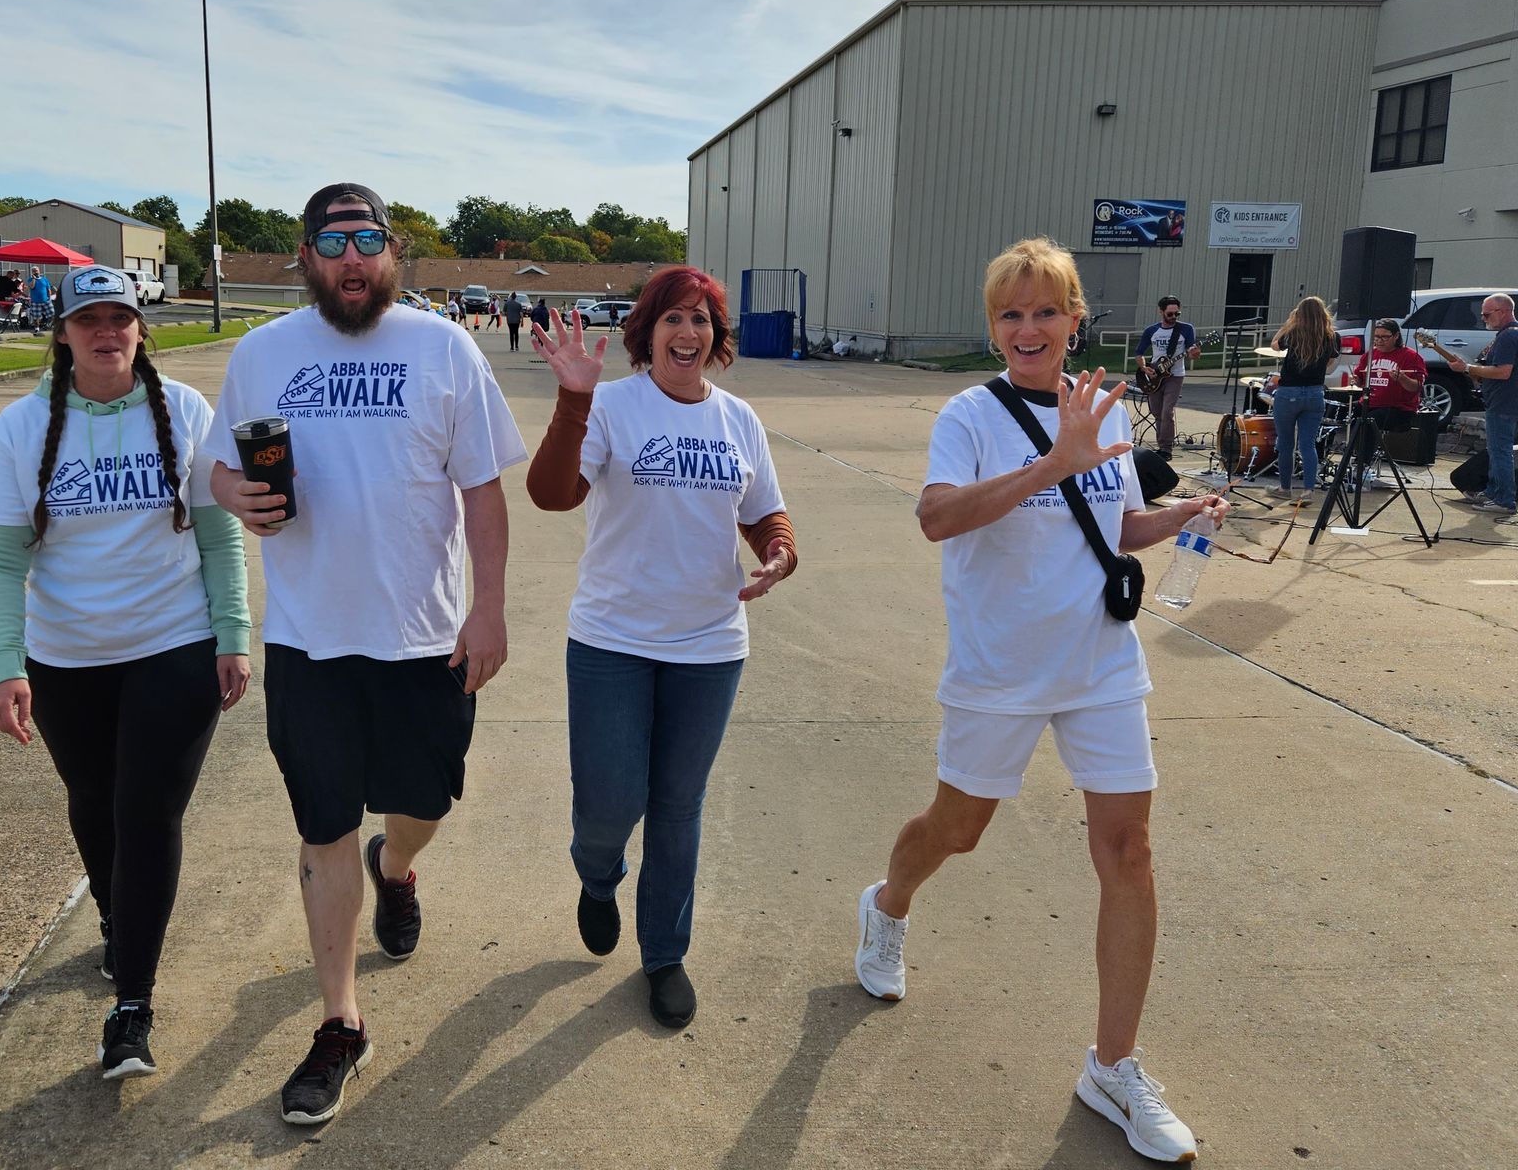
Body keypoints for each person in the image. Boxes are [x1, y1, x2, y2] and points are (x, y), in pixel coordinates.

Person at [853, 238, 1227, 1166]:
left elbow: (1112, 527)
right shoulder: (969, 414)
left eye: (1046, 311)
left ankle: (1113, 1067)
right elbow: (937, 517)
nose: (1029, 327)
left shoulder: (1101, 407)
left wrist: (1178, 517)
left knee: (1130, 851)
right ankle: (889, 905)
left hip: (1101, 663)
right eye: (1011, 314)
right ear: (995, 328)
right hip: (1001, 669)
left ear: (1074, 320)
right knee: (957, 830)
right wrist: (1054, 461)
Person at [206, 183, 524, 1127]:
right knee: (323, 829)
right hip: (310, 639)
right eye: (334, 241)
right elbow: (218, 464)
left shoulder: (444, 347)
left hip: (425, 637)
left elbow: (483, 491)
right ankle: (340, 1021)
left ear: (391, 254)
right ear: (306, 256)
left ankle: (399, 866)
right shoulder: (264, 353)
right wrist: (233, 493)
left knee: (423, 806)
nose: (352, 258)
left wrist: (489, 610)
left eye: (368, 240)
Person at [0, 264, 251, 1082]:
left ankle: (133, 1003)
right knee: (94, 804)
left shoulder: (185, 410)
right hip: (68, 657)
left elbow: (218, 534)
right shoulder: (22, 428)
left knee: (147, 813)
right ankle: (112, 914)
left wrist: (233, 633)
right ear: (62, 333)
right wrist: (5, 664)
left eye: (119, 318)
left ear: (140, 327)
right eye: (88, 319)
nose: (106, 332)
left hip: (174, 644)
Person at [527, 266, 795, 1029]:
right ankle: (598, 874)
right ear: (648, 332)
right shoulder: (612, 406)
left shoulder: (739, 419)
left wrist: (779, 554)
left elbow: (765, 514)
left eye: (701, 319)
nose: (688, 332)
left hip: (710, 646)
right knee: (609, 803)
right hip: (612, 640)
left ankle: (665, 954)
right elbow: (552, 494)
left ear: (716, 337)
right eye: (673, 317)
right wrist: (573, 400)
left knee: (678, 807)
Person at [1435, 293, 1518, 513]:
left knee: (1500, 451)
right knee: (1499, 450)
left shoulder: (1508, 336)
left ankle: (1504, 500)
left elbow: (1503, 372)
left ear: (1503, 311)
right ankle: (1493, 491)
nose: (1483, 318)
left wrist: (1467, 368)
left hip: (1504, 402)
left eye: (1487, 314)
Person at [1268, 296, 1341, 503]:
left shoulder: (1294, 332)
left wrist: (1286, 325)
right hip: (1315, 393)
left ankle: (1285, 488)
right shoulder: (1332, 335)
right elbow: (1330, 362)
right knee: (1308, 444)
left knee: (1286, 443)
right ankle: (1308, 491)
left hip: (1288, 392)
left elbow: (1275, 346)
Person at [1133, 297, 1199, 459]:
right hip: (1155, 374)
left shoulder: (1186, 329)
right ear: (1161, 312)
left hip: (1175, 375)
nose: (1174, 317)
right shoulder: (1151, 330)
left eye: (1177, 313)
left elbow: (1192, 353)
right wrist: (1144, 368)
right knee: (1157, 412)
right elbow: (1139, 353)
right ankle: (1161, 446)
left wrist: (1195, 353)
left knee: (1167, 411)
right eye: (1170, 314)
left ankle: (1166, 449)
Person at [1352, 318, 1425, 460]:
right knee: (1345, 415)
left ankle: (1363, 463)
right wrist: (1357, 381)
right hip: (1369, 403)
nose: (1379, 341)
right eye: (1376, 337)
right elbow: (1360, 380)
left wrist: (1403, 379)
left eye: (1384, 337)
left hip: (1398, 409)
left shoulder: (1411, 356)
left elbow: (1416, 387)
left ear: (1396, 336)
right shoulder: (1369, 355)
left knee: (1369, 421)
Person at [28, 266, 54, 331]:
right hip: (35, 301)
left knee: (52, 314)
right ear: (32, 272)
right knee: (36, 317)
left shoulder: (44, 279)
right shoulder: (30, 279)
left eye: (36, 270)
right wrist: (34, 279)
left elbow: (48, 289)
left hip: (46, 300)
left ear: (39, 271)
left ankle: (48, 325)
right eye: (34, 271)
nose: (35, 272)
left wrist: (49, 297)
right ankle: (37, 328)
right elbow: (32, 287)